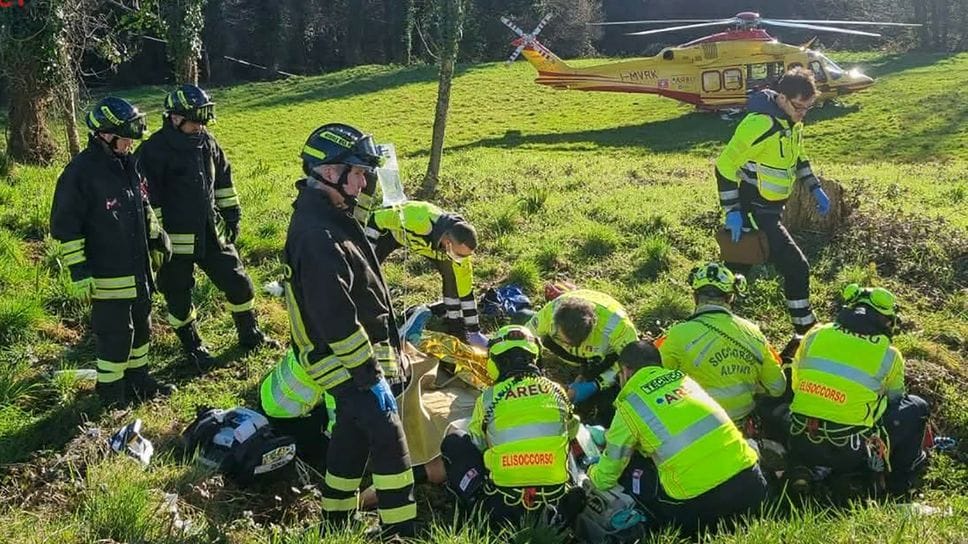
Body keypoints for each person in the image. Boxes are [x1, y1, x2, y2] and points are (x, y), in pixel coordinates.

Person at [261, 123, 416, 537]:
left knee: (350, 437)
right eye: (359, 172)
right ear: (330, 173)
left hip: (353, 356)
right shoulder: (317, 234)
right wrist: (368, 376)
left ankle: (335, 523)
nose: (365, 182)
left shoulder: (331, 214)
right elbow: (335, 318)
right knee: (387, 437)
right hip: (342, 360)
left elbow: (358, 267)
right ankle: (402, 530)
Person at [137, 84, 277, 369]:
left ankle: (249, 333)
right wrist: (158, 239)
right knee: (178, 296)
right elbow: (147, 202)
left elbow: (224, 181)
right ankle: (193, 347)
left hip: (212, 235)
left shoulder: (207, 143)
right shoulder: (152, 152)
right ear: (175, 119)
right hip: (173, 245)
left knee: (239, 282)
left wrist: (232, 214)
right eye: (194, 121)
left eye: (203, 121)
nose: (200, 127)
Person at [50, 97, 175, 407]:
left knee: (142, 329)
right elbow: (66, 227)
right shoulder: (80, 174)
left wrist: (157, 237)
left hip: (138, 272)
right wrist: (79, 270)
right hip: (107, 276)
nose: (131, 143)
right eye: (126, 137)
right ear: (105, 135)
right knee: (116, 336)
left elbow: (143, 205)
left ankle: (139, 380)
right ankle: (111, 395)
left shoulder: (128, 164)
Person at [588, 340, 768, 535]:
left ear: (626, 371)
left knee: (635, 476)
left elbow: (606, 477)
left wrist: (591, 472)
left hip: (701, 505)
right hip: (752, 485)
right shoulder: (685, 381)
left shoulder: (630, 403)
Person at [714, 67, 831, 335]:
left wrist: (815, 188)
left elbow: (798, 157)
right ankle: (805, 331)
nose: (803, 114)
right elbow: (724, 166)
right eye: (799, 107)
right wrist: (732, 211)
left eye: (807, 108)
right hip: (753, 209)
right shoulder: (759, 124)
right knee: (796, 266)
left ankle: (715, 321)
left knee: (737, 269)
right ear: (781, 98)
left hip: (771, 209)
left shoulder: (792, 123)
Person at [787, 285, 930, 494]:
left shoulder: (815, 334)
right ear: (886, 321)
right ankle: (898, 486)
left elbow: (796, 384)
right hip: (850, 449)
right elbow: (895, 399)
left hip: (801, 437)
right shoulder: (889, 354)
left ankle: (811, 471)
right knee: (917, 407)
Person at [440, 325, 583, 527]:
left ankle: (471, 509)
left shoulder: (488, 398)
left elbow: (478, 445)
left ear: (495, 362)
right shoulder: (557, 391)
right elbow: (572, 431)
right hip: (553, 503)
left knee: (454, 443)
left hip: (502, 508)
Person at [655, 262, 786, 430]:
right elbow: (777, 387)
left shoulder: (678, 335)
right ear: (730, 297)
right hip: (742, 426)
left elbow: (658, 383)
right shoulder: (753, 333)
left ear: (695, 297)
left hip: (698, 425)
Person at [365, 201, 486, 348]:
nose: (462, 259)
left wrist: (474, 331)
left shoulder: (460, 256)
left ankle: (454, 326)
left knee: (452, 276)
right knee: (366, 272)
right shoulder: (418, 219)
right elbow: (377, 218)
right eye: (459, 254)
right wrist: (366, 251)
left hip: (429, 246)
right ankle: (368, 316)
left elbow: (465, 293)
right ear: (448, 242)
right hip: (392, 233)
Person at [526, 289, 639, 425]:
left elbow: (632, 364)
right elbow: (525, 340)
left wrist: (597, 383)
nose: (572, 348)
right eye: (563, 340)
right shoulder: (550, 313)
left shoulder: (619, 327)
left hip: (604, 356)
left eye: (577, 343)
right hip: (572, 353)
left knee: (608, 400)